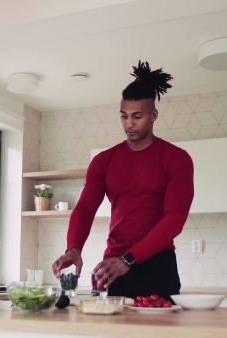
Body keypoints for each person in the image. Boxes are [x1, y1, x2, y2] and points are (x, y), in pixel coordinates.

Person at [52, 60, 194, 301]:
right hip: (114, 266)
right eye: (124, 116)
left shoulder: (176, 158)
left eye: (137, 116)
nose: (129, 123)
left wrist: (129, 258)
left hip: (157, 264)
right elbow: (85, 209)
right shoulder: (103, 161)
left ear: (153, 115)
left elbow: (175, 218)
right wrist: (73, 249)